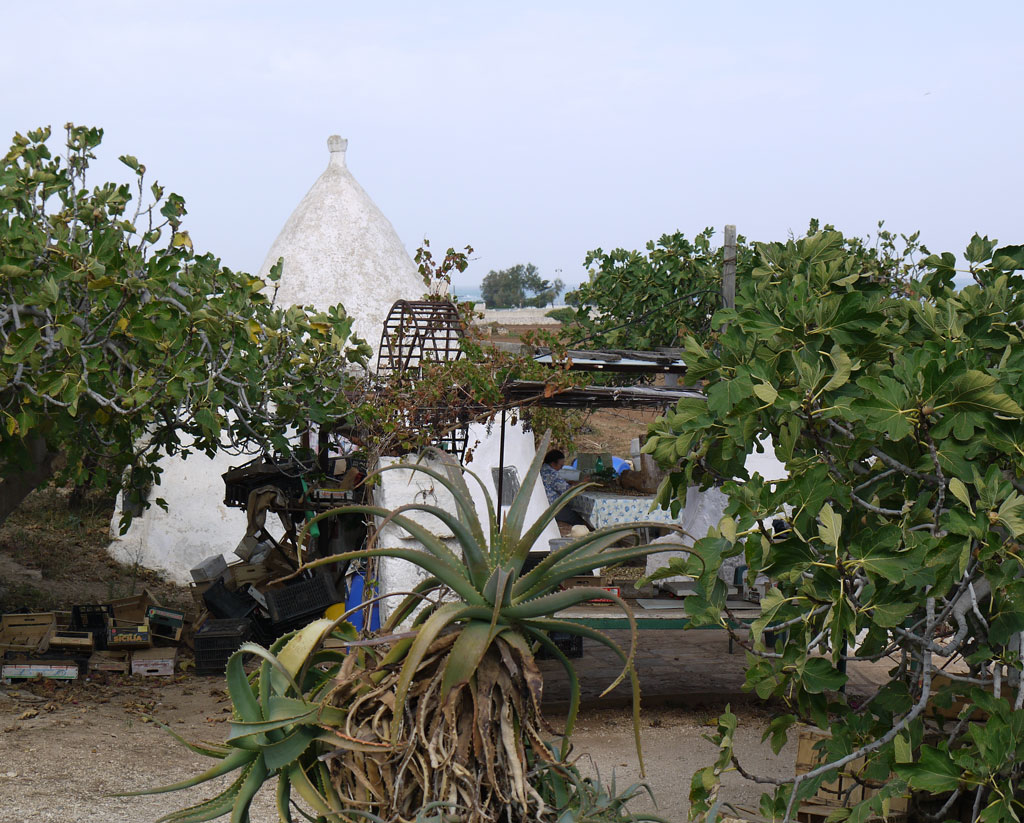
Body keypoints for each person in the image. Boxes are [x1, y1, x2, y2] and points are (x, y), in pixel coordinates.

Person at [540, 449, 589, 527]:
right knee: (579, 519)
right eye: (561, 465)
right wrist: (583, 483)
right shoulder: (552, 473)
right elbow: (568, 490)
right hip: (553, 508)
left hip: (544, 504)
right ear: (553, 463)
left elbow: (557, 484)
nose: (561, 468)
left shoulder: (543, 469)